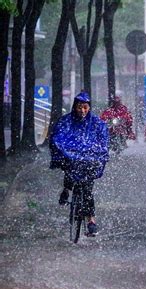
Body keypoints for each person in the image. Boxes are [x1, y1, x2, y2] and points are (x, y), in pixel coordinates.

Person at [49, 91, 109, 236]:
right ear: (75, 107)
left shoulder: (96, 123)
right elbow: (58, 136)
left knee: (87, 190)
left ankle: (91, 221)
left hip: (89, 160)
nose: (82, 110)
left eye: (85, 107)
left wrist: (100, 150)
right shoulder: (66, 121)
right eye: (80, 107)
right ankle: (66, 190)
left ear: (89, 108)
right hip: (72, 158)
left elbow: (103, 140)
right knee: (69, 170)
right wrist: (63, 148)